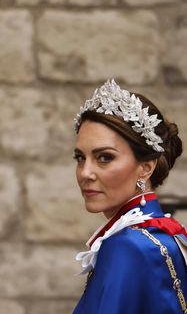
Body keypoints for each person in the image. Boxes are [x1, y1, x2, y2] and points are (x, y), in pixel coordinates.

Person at [72, 79, 187, 314]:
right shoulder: (169, 233)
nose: (85, 173)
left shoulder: (126, 246)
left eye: (104, 157)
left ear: (146, 167)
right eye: (80, 158)